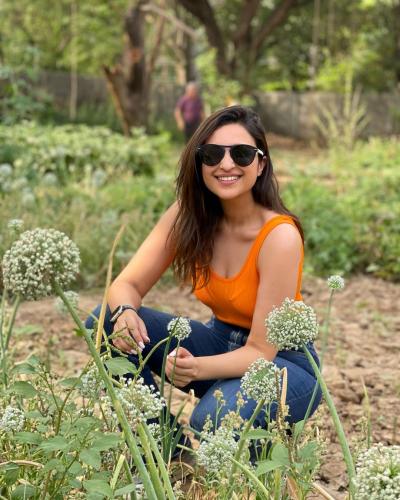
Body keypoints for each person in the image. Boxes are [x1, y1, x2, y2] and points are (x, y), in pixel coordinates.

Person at [86, 105, 321, 443]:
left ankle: (265, 454)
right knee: (103, 322)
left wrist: (196, 368)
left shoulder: (279, 236)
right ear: (199, 163)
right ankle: (164, 447)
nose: (226, 164)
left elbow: (260, 351)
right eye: (212, 154)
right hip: (220, 342)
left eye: (241, 154)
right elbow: (127, 284)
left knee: (211, 418)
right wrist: (124, 314)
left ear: (260, 164)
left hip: (282, 363)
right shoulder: (188, 216)